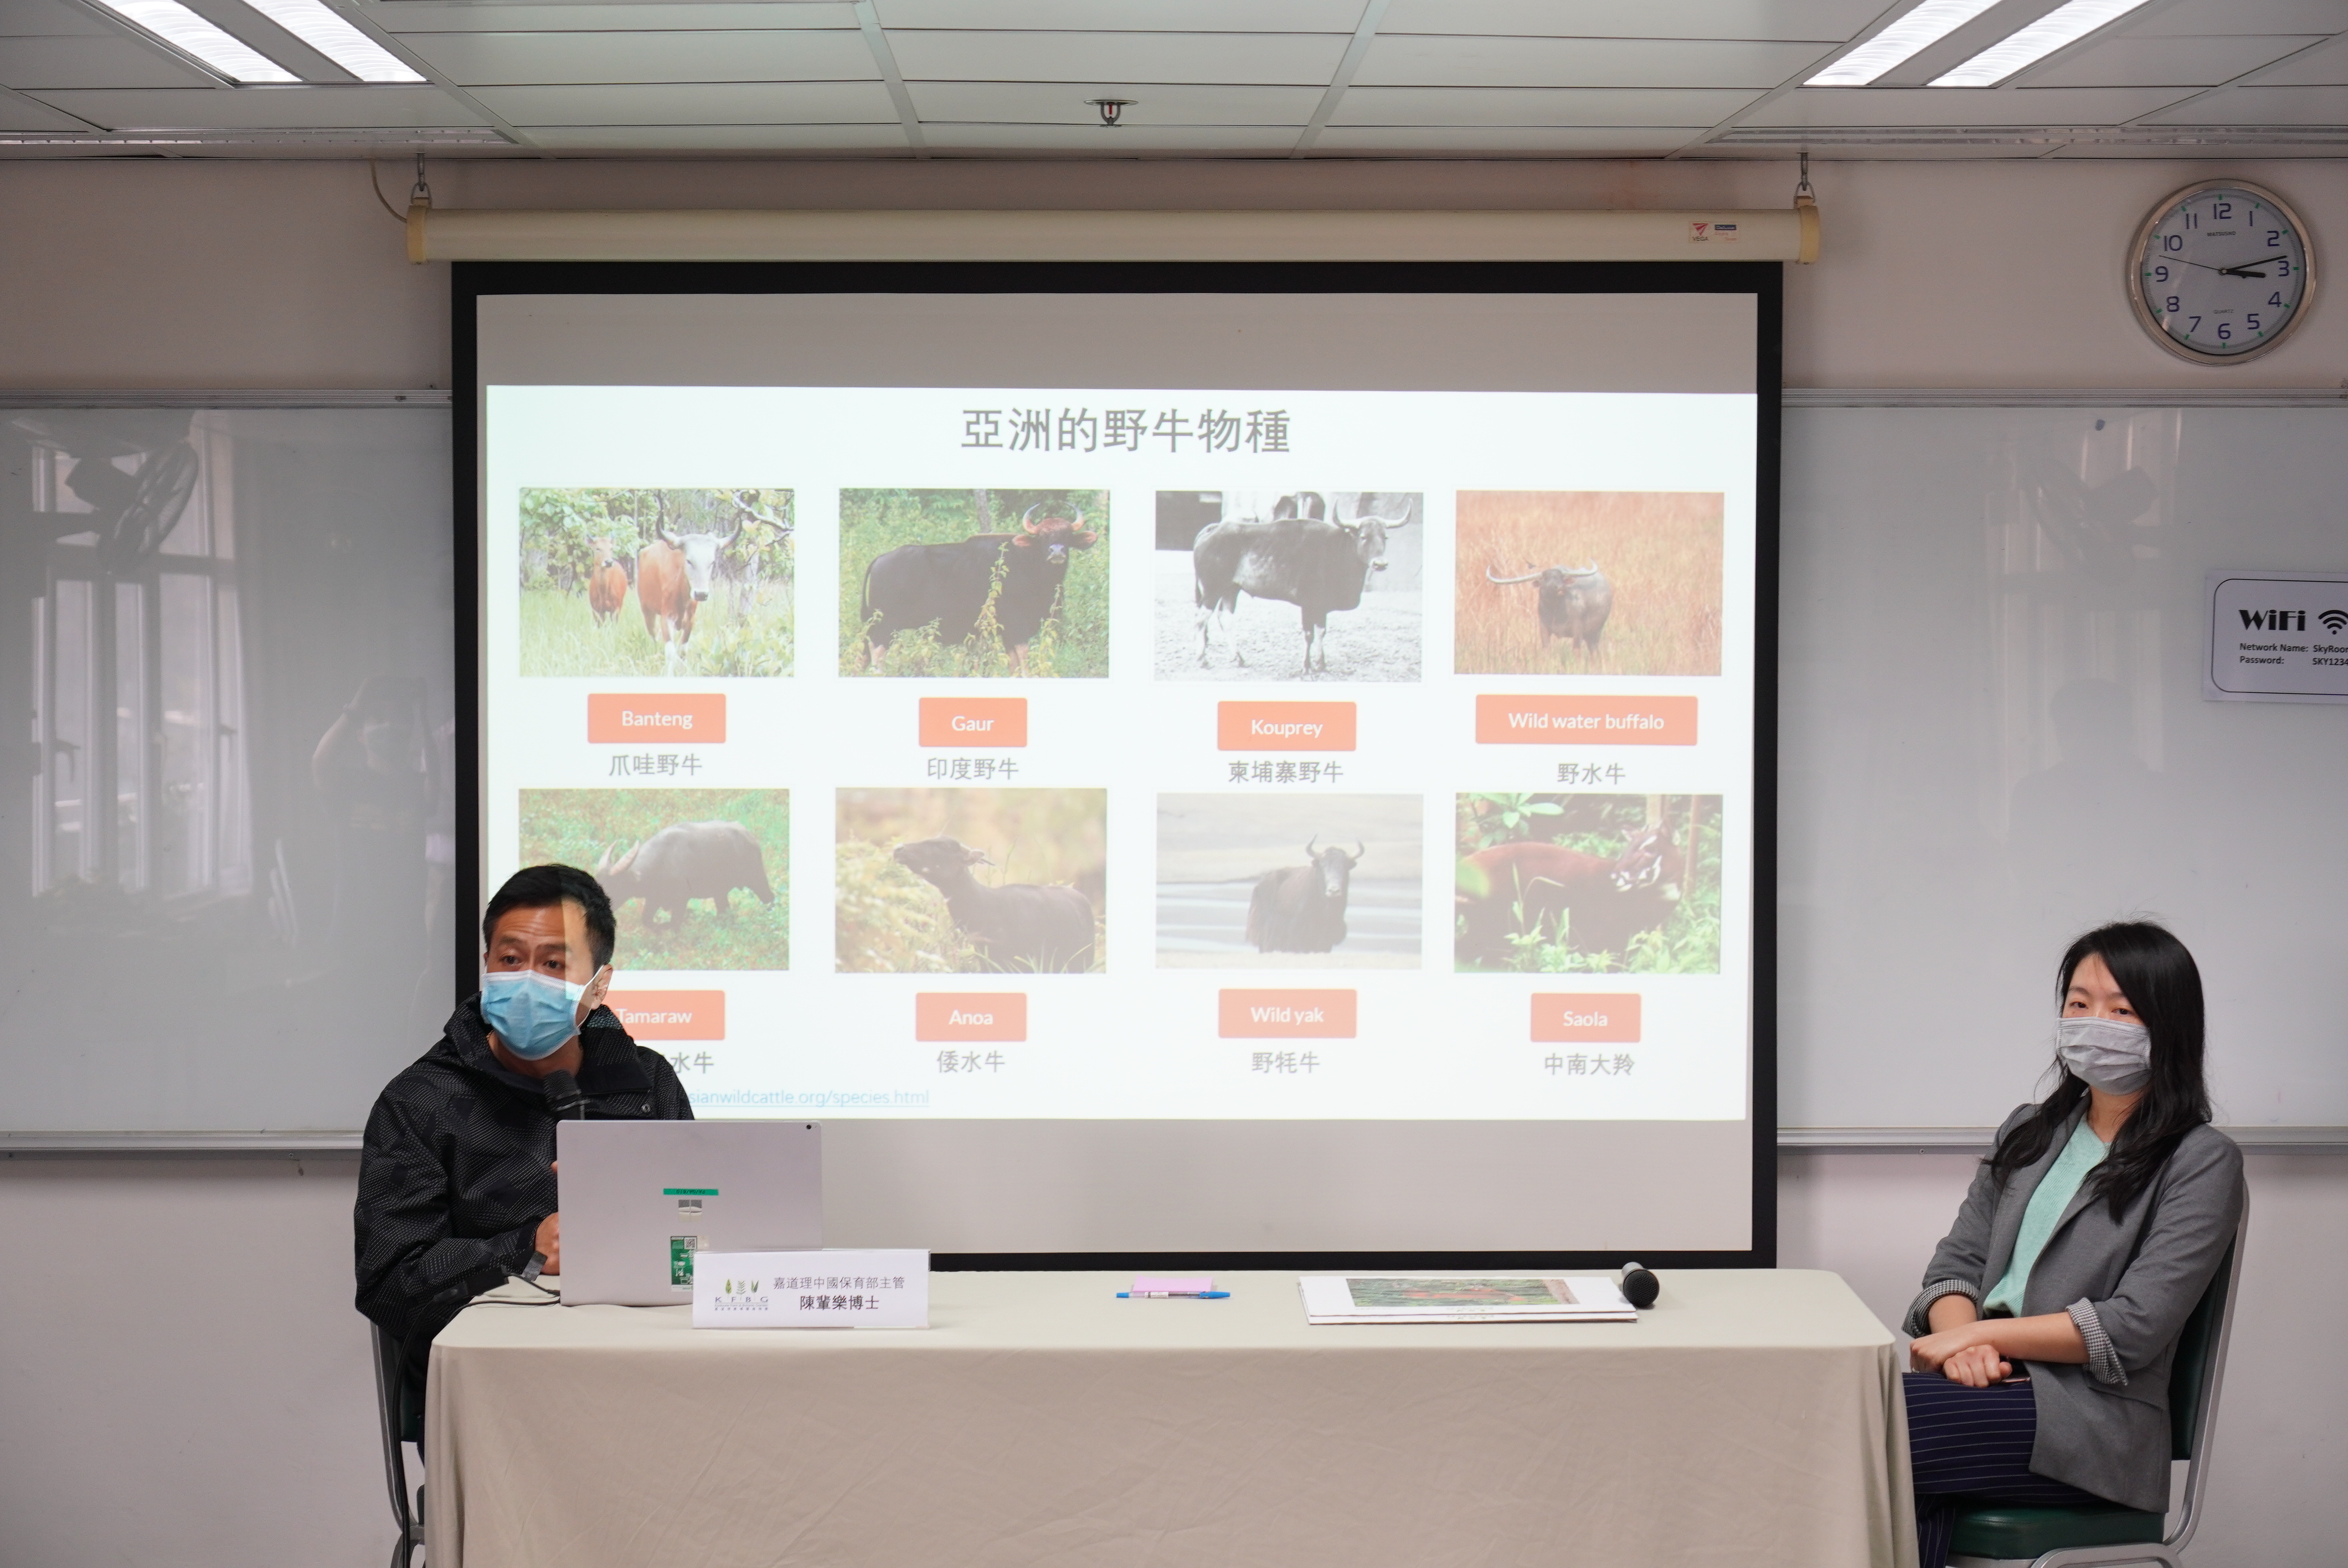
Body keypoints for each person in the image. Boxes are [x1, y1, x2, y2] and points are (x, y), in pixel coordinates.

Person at [1902, 921, 2242, 1568]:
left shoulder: (2201, 1161)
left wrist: (1983, 1336)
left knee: (1871, 1428)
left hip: (2091, 1423)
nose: (2093, 1023)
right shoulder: (2029, 1130)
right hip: (1987, 1386)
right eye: (2078, 1004)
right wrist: (1965, 1348)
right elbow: (1954, 1268)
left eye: (2121, 1010)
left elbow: (2134, 1326)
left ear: (2169, 1026)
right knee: (1875, 1444)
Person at [354, 864, 693, 1439]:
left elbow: (696, 1233)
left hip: (640, 1382)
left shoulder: (646, 1084)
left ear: (599, 985)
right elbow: (389, 1281)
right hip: (493, 1405)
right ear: (486, 965)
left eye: (554, 964)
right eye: (510, 960)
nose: (528, 980)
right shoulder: (421, 1101)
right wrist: (525, 1251)